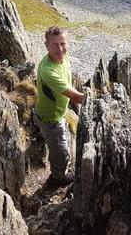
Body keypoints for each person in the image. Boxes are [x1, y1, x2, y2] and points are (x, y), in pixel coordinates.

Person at [34, 26, 84, 186]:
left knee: (55, 143)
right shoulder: (48, 70)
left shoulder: (63, 58)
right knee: (62, 153)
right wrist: (101, 100)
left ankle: (44, 140)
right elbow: (76, 97)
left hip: (53, 112)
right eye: (55, 44)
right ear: (46, 45)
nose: (60, 49)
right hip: (51, 118)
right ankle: (57, 178)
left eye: (63, 43)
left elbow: (69, 86)